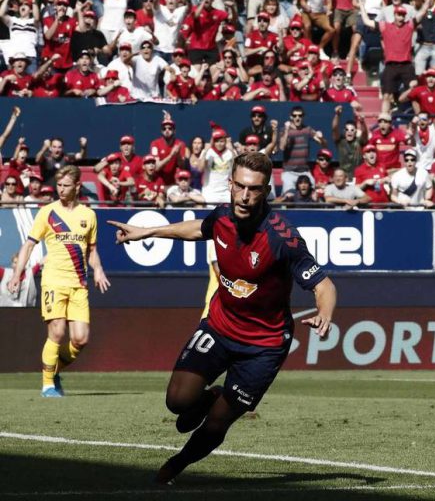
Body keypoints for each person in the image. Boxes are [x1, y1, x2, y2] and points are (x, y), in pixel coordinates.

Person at [107, 152, 336, 484]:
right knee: (178, 402)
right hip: (219, 326)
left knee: (216, 423)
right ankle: (211, 394)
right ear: (229, 184)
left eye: (254, 189)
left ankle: (177, 464)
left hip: (264, 346)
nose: (245, 196)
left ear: (266, 190)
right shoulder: (223, 217)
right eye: (240, 186)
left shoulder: (283, 238)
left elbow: (323, 285)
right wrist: (148, 231)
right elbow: (197, 228)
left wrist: (325, 314)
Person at [7, 166, 110, 397]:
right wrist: (17, 274)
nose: (60, 190)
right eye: (59, 185)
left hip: (79, 284)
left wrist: (99, 270)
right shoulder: (47, 212)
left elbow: (91, 251)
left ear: (77, 186)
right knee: (56, 331)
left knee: (80, 339)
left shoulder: (88, 215)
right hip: (53, 280)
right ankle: (47, 386)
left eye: (65, 185)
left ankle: (52, 371)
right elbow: (29, 244)